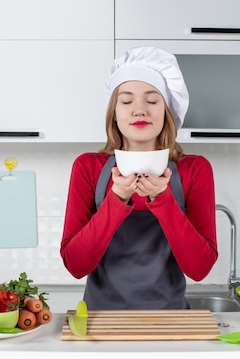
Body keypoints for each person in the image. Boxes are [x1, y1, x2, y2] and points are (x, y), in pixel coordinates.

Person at [60, 46, 218, 310]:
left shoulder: (195, 169)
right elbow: (76, 265)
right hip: (101, 322)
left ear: (167, 111)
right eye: (126, 100)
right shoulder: (88, 167)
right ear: (114, 113)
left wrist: (163, 200)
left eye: (152, 100)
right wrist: (117, 199)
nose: (139, 110)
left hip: (171, 322)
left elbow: (200, 269)